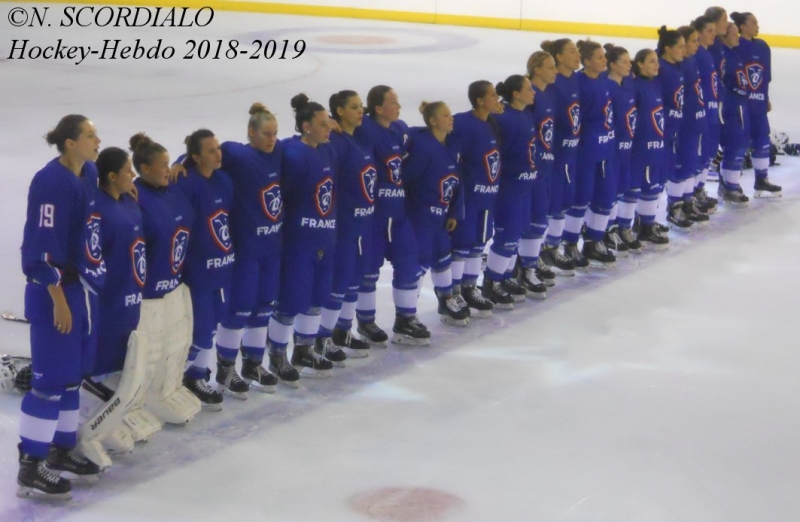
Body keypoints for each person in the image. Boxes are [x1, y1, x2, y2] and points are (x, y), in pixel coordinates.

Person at [18, 115, 103, 499]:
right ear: (70, 143)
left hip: (77, 289)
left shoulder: (89, 173)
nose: (96, 140)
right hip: (54, 294)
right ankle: (31, 465)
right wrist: (57, 299)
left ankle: (61, 450)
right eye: (89, 135)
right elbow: (41, 245)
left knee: (71, 377)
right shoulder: (51, 183)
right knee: (50, 383)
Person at [212, 104, 284, 396]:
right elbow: (205, 155)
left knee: (264, 306)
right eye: (266, 134)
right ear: (251, 132)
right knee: (240, 308)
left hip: (271, 247)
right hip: (246, 249)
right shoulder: (236, 154)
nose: (272, 139)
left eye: (275, 134)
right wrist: (181, 163)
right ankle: (225, 367)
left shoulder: (278, 152)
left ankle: (254, 362)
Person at [266, 94, 336, 385]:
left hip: (324, 236)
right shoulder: (291, 153)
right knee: (291, 298)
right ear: (306, 127)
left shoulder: (326, 149)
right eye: (323, 124)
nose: (328, 128)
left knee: (316, 296)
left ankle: (304, 348)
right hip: (299, 239)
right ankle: (278, 355)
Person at [354, 86, 429, 346]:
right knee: (368, 271)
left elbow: (414, 142)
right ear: (378, 108)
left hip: (398, 212)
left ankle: (406, 318)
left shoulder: (399, 129)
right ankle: (365, 320)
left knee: (410, 263)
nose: (398, 106)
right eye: (393, 102)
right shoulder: (364, 128)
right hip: (373, 215)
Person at [174, 129, 234, 409]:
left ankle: (196, 375)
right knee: (199, 331)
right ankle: (176, 381)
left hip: (221, 270)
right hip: (196, 273)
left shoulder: (223, 180)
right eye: (210, 151)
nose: (218, 154)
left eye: (218, 148)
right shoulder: (186, 183)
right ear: (195, 157)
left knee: (211, 327)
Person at [318, 90, 375, 359]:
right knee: (339, 281)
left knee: (354, 279)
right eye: (354, 107)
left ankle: (342, 330)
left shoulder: (360, 138)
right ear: (339, 112)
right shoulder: (336, 143)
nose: (360, 111)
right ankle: (322, 337)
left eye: (361, 106)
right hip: (342, 226)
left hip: (361, 226)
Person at [404, 101, 470, 325]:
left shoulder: (452, 145)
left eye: (450, 114)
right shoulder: (423, 146)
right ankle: (408, 312)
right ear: (433, 121)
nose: (450, 118)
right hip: (422, 215)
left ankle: (446, 298)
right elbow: (408, 178)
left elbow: (457, 182)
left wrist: (453, 212)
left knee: (443, 257)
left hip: (441, 215)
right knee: (421, 261)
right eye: (445, 115)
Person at [481, 74, 537, 307]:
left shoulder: (524, 114)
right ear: (516, 93)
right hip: (508, 185)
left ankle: (504, 276)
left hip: (524, 184)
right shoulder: (501, 117)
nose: (533, 92)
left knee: (517, 233)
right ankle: (491, 281)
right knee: (507, 234)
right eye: (528, 89)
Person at [448, 81, 502, 317]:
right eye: (492, 95)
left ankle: (470, 287)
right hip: (469, 196)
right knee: (462, 244)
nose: (496, 97)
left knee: (480, 242)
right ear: (479, 100)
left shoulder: (492, 122)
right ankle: (454, 291)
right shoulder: (463, 123)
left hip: (488, 196)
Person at [563, 40, 617, 266]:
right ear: (586, 62)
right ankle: (570, 243)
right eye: (599, 57)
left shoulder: (605, 81)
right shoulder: (579, 84)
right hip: (586, 151)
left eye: (604, 57)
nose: (605, 61)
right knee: (581, 197)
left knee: (605, 195)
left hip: (606, 148)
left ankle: (595, 240)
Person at [92, 148, 144, 381]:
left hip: (131, 296)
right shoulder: (97, 209)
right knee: (105, 359)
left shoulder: (130, 201)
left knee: (125, 356)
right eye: (127, 170)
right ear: (112, 176)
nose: (132, 174)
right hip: (109, 300)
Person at [539, 39, 581, 275]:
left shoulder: (575, 79)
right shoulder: (552, 85)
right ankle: (536, 253)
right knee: (549, 204)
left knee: (562, 202)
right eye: (572, 51)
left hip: (570, 153)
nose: (578, 55)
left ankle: (551, 247)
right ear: (559, 57)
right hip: (553, 157)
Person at [519, 50, 559, 292]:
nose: (555, 72)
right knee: (526, 218)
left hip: (545, 166)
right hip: (529, 169)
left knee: (539, 217)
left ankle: (530, 263)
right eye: (550, 67)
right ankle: (521, 266)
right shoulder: (530, 97)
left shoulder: (547, 95)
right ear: (537, 70)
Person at [731, 11, 782, 197]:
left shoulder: (762, 46)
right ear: (742, 27)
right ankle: (730, 184)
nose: (757, 26)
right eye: (753, 23)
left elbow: (764, 77)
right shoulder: (735, 45)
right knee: (738, 143)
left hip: (758, 102)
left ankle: (762, 179)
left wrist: (766, 97)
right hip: (741, 103)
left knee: (762, 139)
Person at [603, 43, 642, 253]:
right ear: (612, 65)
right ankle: (605, 229)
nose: (630, 66)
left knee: (621, 188)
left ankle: (616, 226)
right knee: (608, 190)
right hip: (612, 148)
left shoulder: (628, 84)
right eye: (625, 62)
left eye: (630, 61)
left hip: (628, 147)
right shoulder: (606, 87)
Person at [631, 50, 670, 249]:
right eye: (651, 62)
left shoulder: (655, 84)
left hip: (656, 143)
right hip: (643, 145)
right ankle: (644, 227)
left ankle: (647, 220)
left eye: (657, 61)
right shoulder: (636, 87)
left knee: (654, 182)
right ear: (639, 64)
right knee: (646, 183)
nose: (657, 65)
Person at [675, 24, 710, 225]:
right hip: (685, 124)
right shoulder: (680, 65)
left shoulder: (691, 61)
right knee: (682, 164)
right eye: (693, 41)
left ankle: (686, 201)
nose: (697, 44)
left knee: (691, 163)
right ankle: (676, 205)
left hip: (695, 120)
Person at [657, 26, 691, 230]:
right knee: (656, 176)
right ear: (668, 48)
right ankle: (642, 221)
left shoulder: (678, 67)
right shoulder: (660, 69)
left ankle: (670, 208)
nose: (684, 51)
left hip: (674, 130)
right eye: (680, 47)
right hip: (662, 132)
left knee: (672, 169)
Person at [717, 22, 751, 206]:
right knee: (734, 144)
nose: (738, 36)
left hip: (739, 106)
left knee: (740, 144)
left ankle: (730, 184)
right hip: (729, 108)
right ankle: (729, 186)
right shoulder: (722, 54)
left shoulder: (733, 53)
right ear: (723, 36)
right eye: (734, 33)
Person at [693, 14, 721, 211]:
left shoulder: (707, 53)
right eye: (709, 31)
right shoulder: (698, 56)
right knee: (698, 153)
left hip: (710, 111)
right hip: (702, 112)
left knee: (706, 153)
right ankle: (693, 193)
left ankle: (699, 189)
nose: (714, 35)